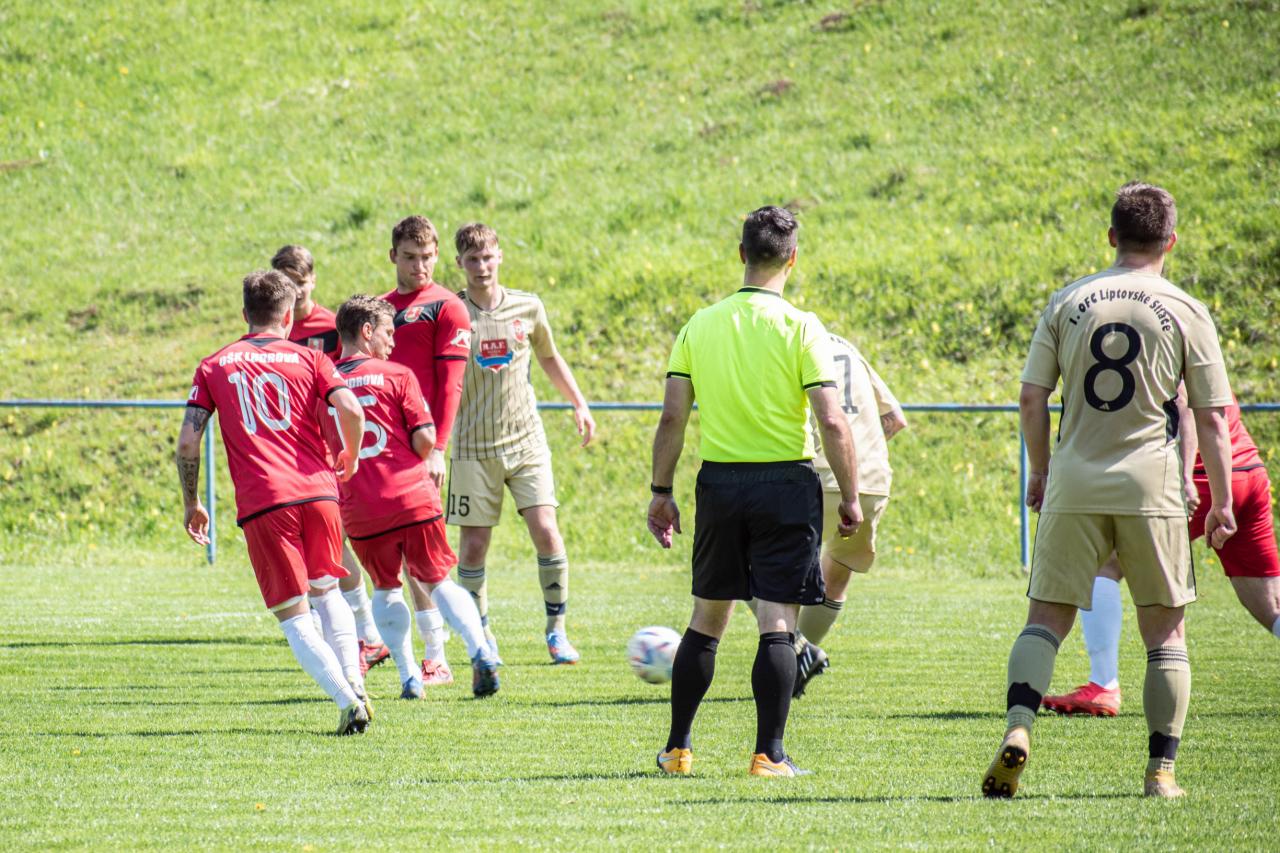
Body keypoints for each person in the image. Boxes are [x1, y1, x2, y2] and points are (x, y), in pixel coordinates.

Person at [982, 182, 1236, 800]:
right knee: (1165, 636)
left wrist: (1041, 470)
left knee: (1045, 621)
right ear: (1171, 241)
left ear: (1111, 236)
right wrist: (1223, 501)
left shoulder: (1068, 300)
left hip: (1074, 480)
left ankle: (1019, 728)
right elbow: (1210, 417)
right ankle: (1160, 773)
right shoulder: (1186, 309)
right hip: (1152, 486)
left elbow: (1031, 397)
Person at [647, 205, 861, 778]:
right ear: (793, 259)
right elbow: (832, 420)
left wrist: (661, 490)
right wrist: (850, 496)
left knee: (706, 619)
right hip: (786, 484)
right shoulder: (802, 327)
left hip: (719, 484)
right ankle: (769, 755)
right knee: (777, 621)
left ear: (742, 253)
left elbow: (672, 418)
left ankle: (677, 751)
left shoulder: (699, 325)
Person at [176, 270, 373, 735]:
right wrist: (350, 453)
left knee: (294, 614)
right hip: (319, 493)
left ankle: (347, 700)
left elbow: (187, 442)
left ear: (245, 314)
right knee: (328, 591)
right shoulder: (312, 358)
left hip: (266, 501)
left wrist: (192, 501)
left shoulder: (215, 365)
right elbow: (351, 409)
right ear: (288, 317)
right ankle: (357, 684)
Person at [1044, 391, 1280, 716]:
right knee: (1271, 605)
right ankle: (1102, 685)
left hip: (1203, 475)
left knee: (1104, 564)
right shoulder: (1207, 358)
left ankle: (1103, 685)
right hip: (1247, 472)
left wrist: (1184, 478)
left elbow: (1184, 405)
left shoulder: (1172, 355)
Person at [328, 295, 500, 698]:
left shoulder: (324, 384)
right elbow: (424, 440)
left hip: (361, 505)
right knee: (438, 580)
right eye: (388, 333)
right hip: (411, 496)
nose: (393, 342)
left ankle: (409, 678)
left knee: (386, 588)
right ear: (366, 332)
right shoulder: (398, 375)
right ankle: (480, 651)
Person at [446, 223, 597, 665]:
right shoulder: (450, 312)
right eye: (472, 259)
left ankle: (557, 632)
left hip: (526, 440)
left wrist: (579, 404)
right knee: (474, 547)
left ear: (500, 257)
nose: (481, 266)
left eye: (487, 257)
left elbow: (549, 356)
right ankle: (482, 636)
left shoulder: (528, 306)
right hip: (472, 447)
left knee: (547, 530)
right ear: (459, 263)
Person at [272, 244, 392, 674]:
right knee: (318, 549)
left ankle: (368, 634)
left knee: (334, 546)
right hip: (291, 450)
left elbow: (351, 382)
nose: (297, 291)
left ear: (313, 281)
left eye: (301, 283)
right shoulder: (273, 330)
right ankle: (360, 636)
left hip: (328, 447)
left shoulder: (329, 327)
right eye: (288, 284)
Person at [380, 216, 473, 685]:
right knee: (395, 554)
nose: (420, 266)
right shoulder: (379, 309)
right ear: (393, 256)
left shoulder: (446, 307)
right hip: (381, 453)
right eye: (410, 257)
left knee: (424, 555)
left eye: (427, 257)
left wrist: (437, 448)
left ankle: (439, 653)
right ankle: (399, 646)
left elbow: (451, 385)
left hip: (421, 449)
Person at [790, 332, 907, 697]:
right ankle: (794, 667)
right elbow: (895, 420)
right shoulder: (848, 349)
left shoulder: (790, 341)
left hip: (817, 475)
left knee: (745, 561)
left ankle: (796, 647)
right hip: (871, 478)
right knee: (838, 571)